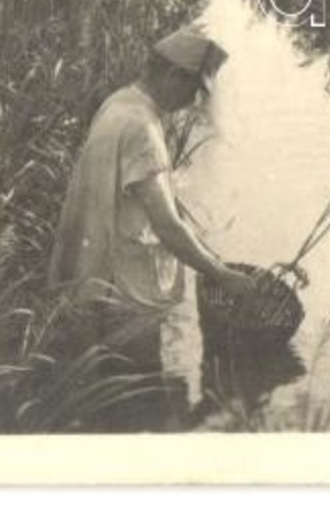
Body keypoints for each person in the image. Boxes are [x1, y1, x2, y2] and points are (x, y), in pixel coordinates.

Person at [49, 29, 258, 425]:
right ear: (174, 76)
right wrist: (221, 273)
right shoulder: (143, 129)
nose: (194, 102)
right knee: (139, 397)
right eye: (195, 89)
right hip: (125, 290)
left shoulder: (119, 103)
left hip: (95, 276)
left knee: (109, 394)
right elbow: (167, 227)